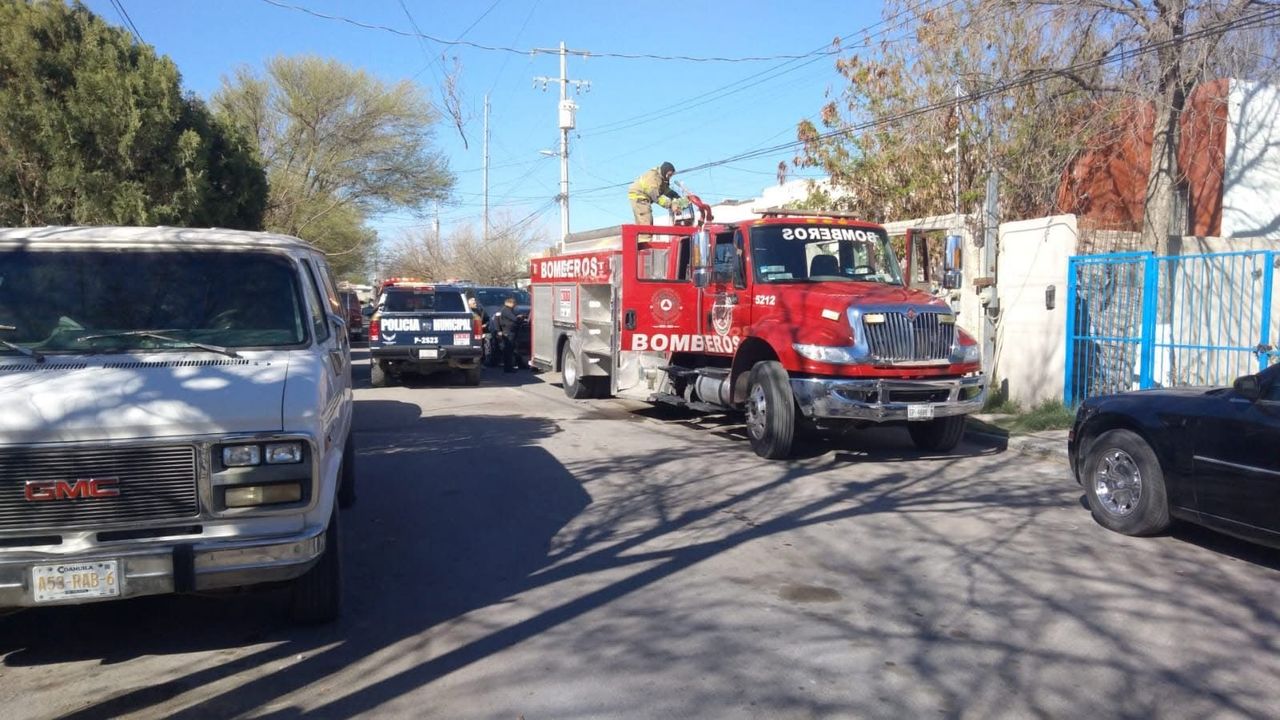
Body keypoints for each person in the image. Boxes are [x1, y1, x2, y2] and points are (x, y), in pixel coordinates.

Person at [492, 296, 522, 373]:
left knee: (510, 350)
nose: (515, 305)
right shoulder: (506, 310)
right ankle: (508, 368)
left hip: (509, 331)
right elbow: (514, 319)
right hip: (508, 332)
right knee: (508, 351)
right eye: (514, 303)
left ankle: (512, 366)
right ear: (510, 303)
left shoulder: (507, 310)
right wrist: (519, 317)